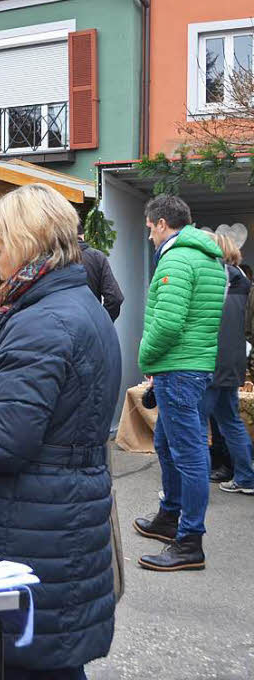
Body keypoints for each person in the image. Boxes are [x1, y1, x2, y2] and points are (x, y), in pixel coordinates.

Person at [0, 184, 121, 679]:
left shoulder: (41, 321)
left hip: (32, 527)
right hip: (64, 519)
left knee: (17, 664)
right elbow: (50, 415)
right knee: (53, 664)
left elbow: (3, 442)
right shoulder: (82, 305)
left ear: (27, 242)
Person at [132, 195, 226, 572]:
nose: (149, 234)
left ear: (160, 223)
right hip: (191, 366)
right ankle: (169, 517)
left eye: (149, 227)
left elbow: (168, 324)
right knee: (167, 443)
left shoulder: (176, 258)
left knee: (188, 455)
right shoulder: (208, 258)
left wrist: (144, 358)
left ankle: (189, 543)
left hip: (178, 368)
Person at [202, 232, 253, 495]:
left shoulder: (216, 278)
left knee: (197, 424)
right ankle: (245, 477)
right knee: (230, 421)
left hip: (212, 361)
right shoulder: (243, 280)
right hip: (234, 360)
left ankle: (191, 487)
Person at [77, 220, 124, 321]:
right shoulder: (96, 257)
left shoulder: (54, 260)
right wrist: (102, 323)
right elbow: (115, 298)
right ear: (83, 235)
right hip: (91, 325)